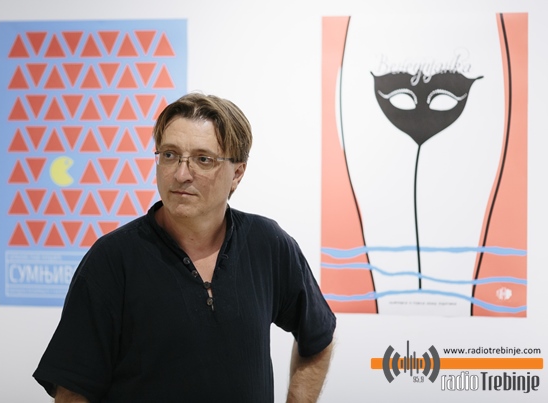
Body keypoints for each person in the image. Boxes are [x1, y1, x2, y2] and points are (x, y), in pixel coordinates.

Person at [33, 93, 336, 402]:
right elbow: (72, 389)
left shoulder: (267, 244)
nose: (180, 174)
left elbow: (319, 335)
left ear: (238, 173)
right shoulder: (112, 259)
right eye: (169, 155)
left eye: (203, 159)